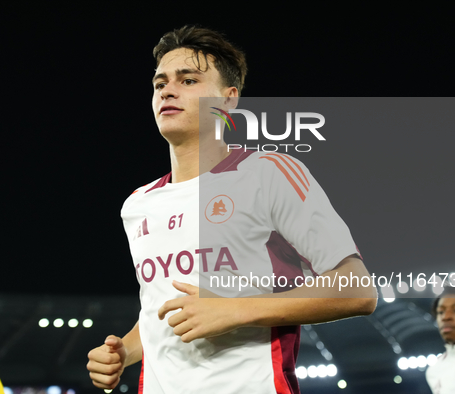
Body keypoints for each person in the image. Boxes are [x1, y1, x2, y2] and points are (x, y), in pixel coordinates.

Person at [87, 25, 377, 393]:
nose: (168, 91)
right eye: (160, 84)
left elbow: (358, 290)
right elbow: (162, 313)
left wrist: (235, 309)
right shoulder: (138, 204)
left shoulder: (268, 173)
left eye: (188, 80)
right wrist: (123, 351)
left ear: (228, 99)